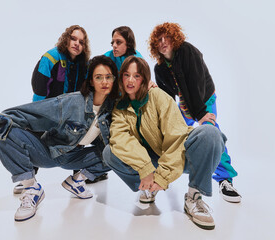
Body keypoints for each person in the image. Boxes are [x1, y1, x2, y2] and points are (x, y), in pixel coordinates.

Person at [0, 55, 119, 222]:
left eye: (108, 77)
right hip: (48, 152)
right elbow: (27, 113)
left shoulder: (112, 108)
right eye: (98, 77)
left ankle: (77, 181)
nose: (104, 82)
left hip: (75, 156)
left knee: (117, 152)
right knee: (2, 130)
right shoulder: (71, 102)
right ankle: (32, 189)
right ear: (91, 81)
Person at [102, 56, 226, 230]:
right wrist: (146, 169)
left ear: (145, 79)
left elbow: (176, 138)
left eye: (137, 76)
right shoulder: (120, 107)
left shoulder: (158, 96)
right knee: (109, 152)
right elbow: (120, 139)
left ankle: (194, 197)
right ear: (121, 77)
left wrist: (163, 177)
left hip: (182, 154)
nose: (131, 80)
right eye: (126, 75)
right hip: (152, 161)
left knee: (211, 133)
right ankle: (148, 187)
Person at [148, 22, 241, 203]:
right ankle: (161, 178)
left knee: (213, 136)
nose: (163, 42)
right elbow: (167, 99)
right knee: (170, 138)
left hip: (204, 101)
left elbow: (196, 84)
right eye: (159, 40)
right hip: (184, 107)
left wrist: (201, 115)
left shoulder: (188, 52)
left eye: (166, 37)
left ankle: (224, 180)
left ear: (174, 38)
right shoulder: (159, 68)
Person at [29, 25, 107, 187]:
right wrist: (39, 115)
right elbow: (39, 88)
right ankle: (28, 179)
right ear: (66, 39)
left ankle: (82, 175)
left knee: (82, 132)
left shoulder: (83, 64)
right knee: (34, 140)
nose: (77, 43)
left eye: (81, 41)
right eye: (73, 39)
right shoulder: (50, 58)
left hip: (70, 112)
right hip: (46, 109)